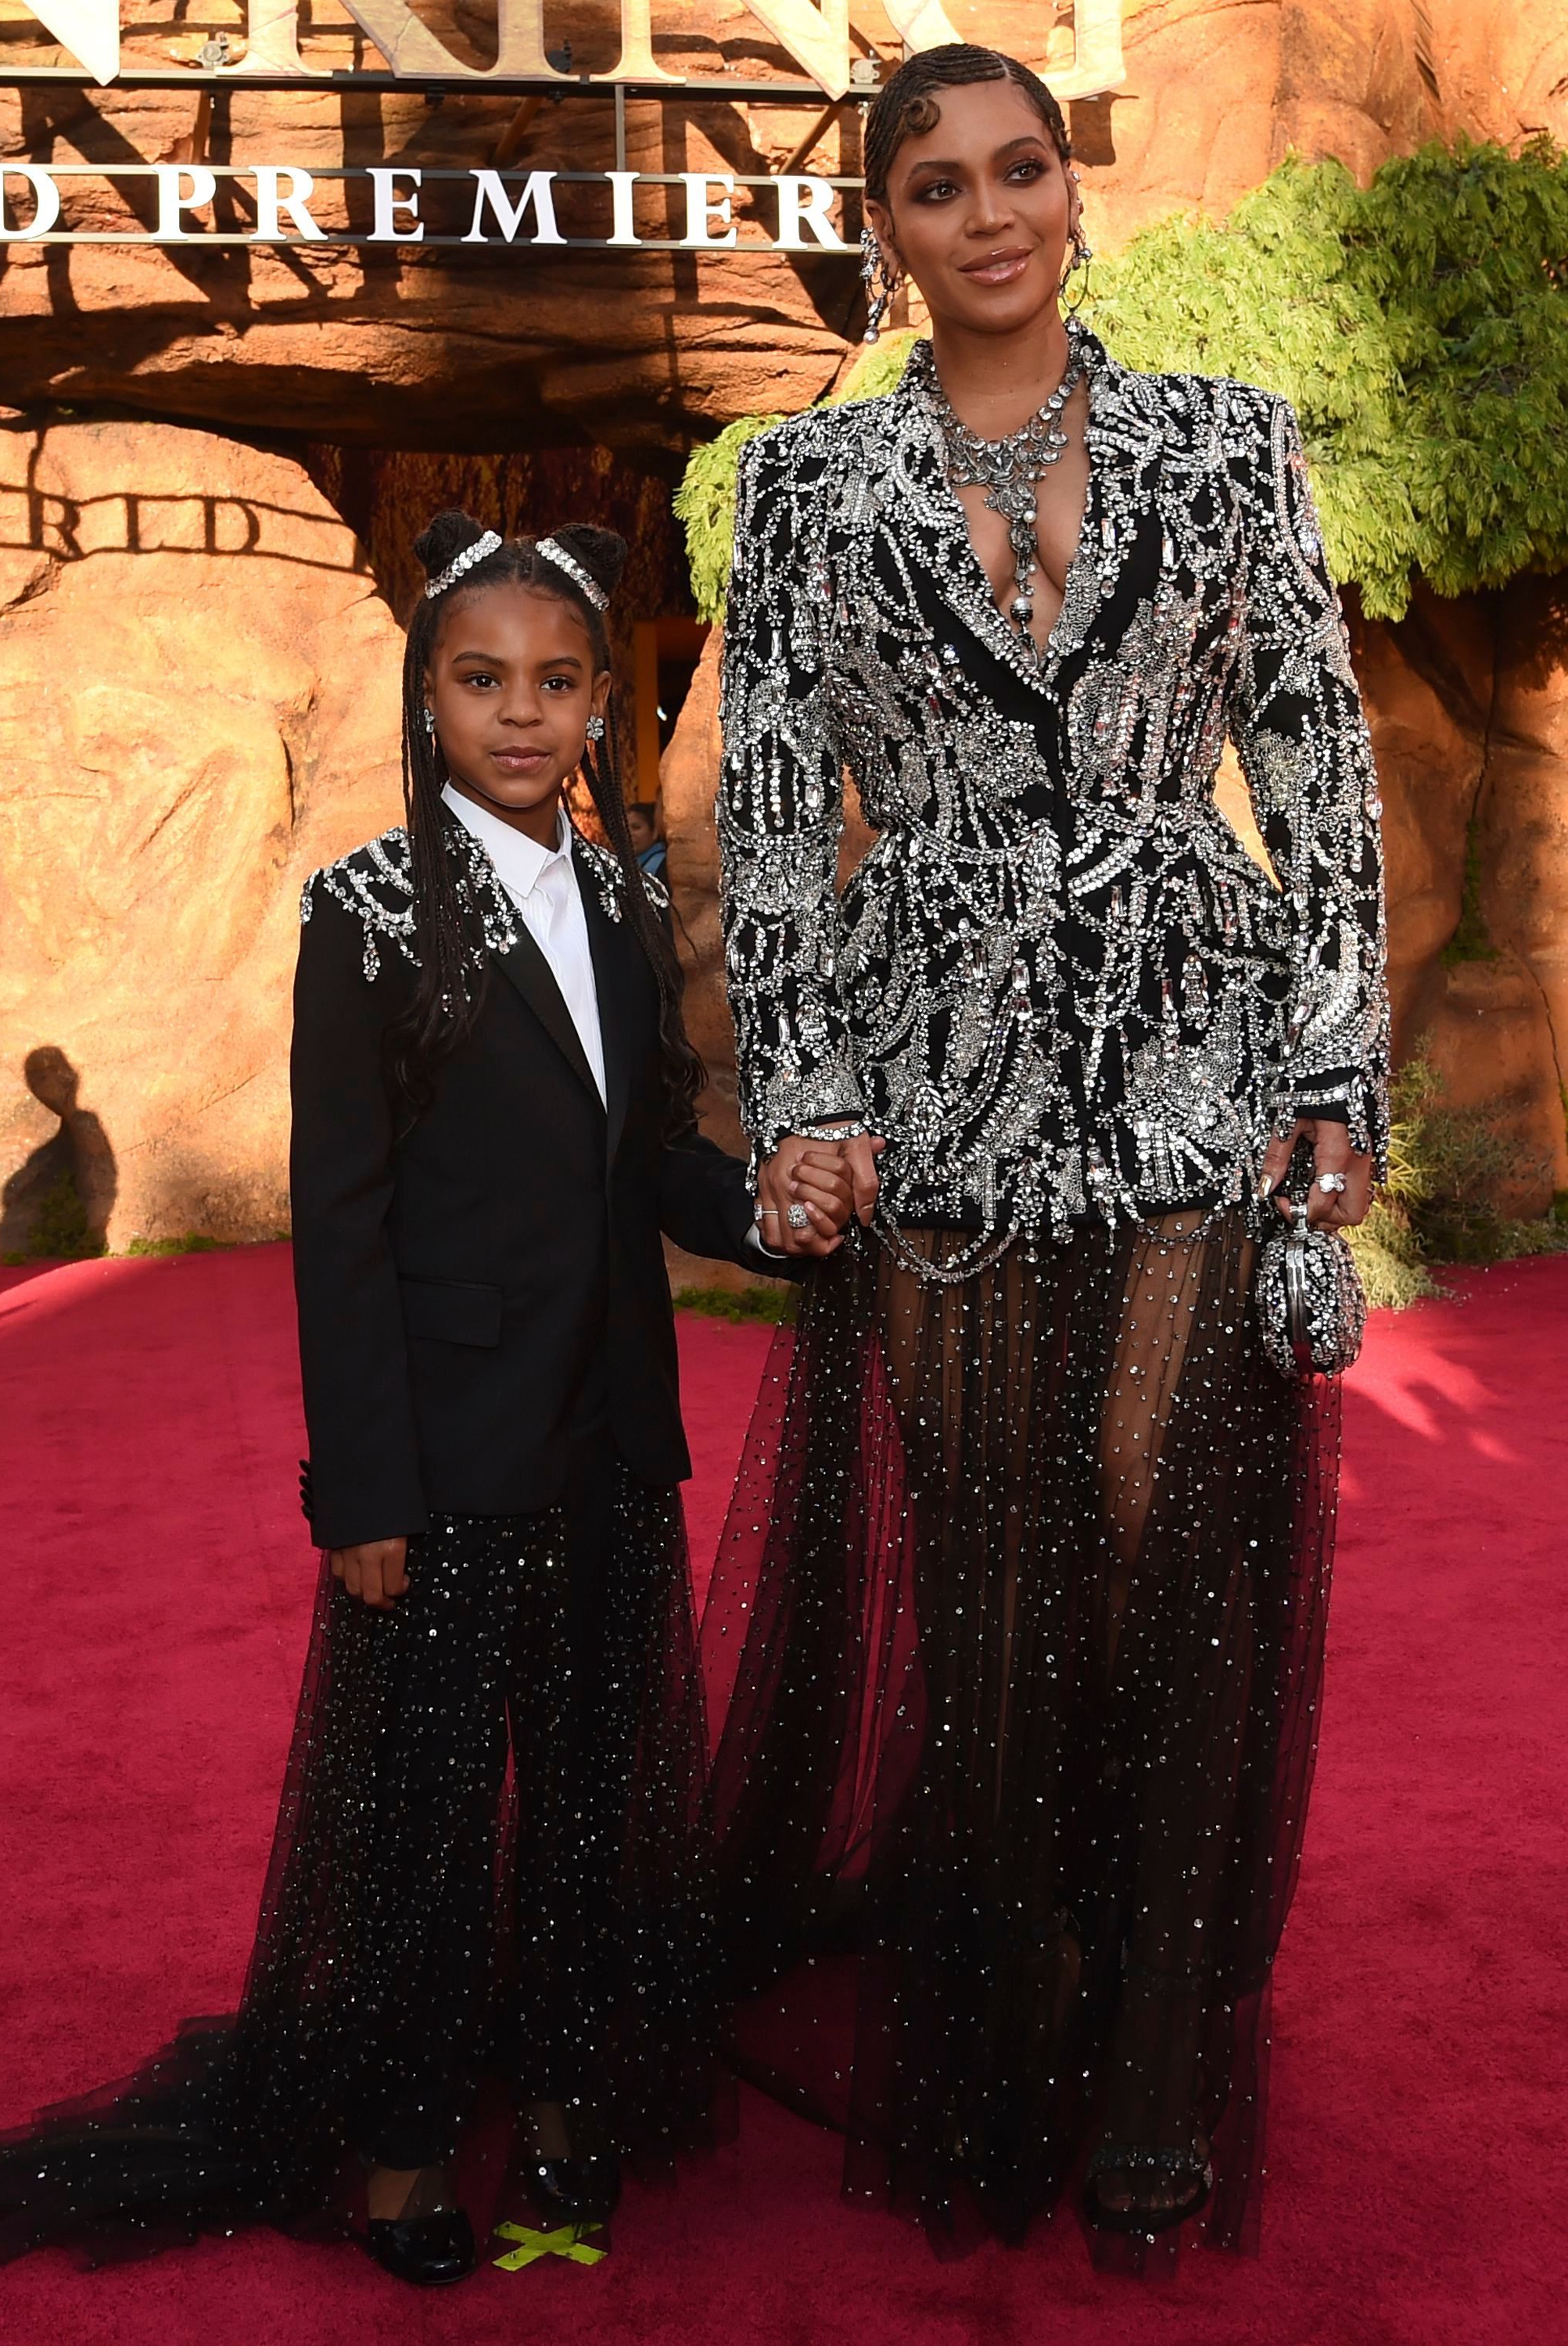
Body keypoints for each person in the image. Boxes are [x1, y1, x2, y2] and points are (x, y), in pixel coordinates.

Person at [0, 513, 855, 2287]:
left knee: (595, 1803)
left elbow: (650, 1157)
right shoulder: (357, 915)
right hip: (438, 1464)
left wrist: (773, 1213)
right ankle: (403, 2147)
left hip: (610, 1446)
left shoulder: (617, 896)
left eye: (557, 682)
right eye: (479, 679)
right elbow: (341, 1230)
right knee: (429, 1822)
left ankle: (580, 2103)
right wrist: (359, 1487)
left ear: (600, 703)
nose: (520, 713)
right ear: (425, 692)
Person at [701, 45, 1387, 2258]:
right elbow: (778, 815)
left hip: (1194, 1045)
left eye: (1020, 170)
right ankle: (1008, 2039)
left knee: (1166, 1573)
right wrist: (804, 1092)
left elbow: (1312, 747)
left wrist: (1335, 1057)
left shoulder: (1218, 442)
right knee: (996, 1593)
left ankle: (1161, 2073)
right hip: (946, 1084)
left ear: (1069, 192)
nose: (987, 213)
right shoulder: (806, 492)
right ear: (883, 229)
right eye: (933, 185)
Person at [627, 800, 668, 881]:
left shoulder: (662, 864)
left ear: (654, 832)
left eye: (636, 827)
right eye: (625, 829)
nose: (629, 834)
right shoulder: (634, 863)